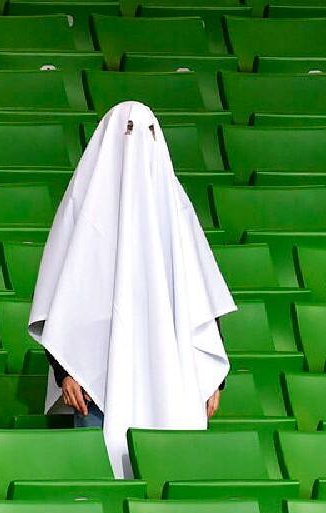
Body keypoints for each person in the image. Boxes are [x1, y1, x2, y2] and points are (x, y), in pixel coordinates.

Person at [28, 101, 236, 478]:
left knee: (168, 475)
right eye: (127, 132)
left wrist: (213, 379)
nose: (138, 143)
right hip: (96, 374)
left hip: (169, 368)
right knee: (99, 480)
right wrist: (64, 373)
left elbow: (201, 296)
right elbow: (57, 296)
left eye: (148, 133)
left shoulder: (175, 210)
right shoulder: (81, 205)